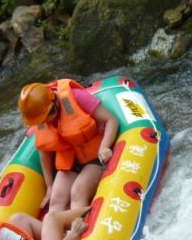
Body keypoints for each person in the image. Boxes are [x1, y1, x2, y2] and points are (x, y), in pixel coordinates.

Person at [18, 79, 119, 213]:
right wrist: (49, 186)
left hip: (95, 156)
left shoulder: (76, 97)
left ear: (54, 104)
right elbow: (44, 151)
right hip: (70, 159)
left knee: (78, 192)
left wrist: (105, 146)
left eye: (46, 118)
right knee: (56, 198)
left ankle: (80, 231)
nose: (43, 122)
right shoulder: (39, 118)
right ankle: (57, 232)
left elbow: (111, 120)